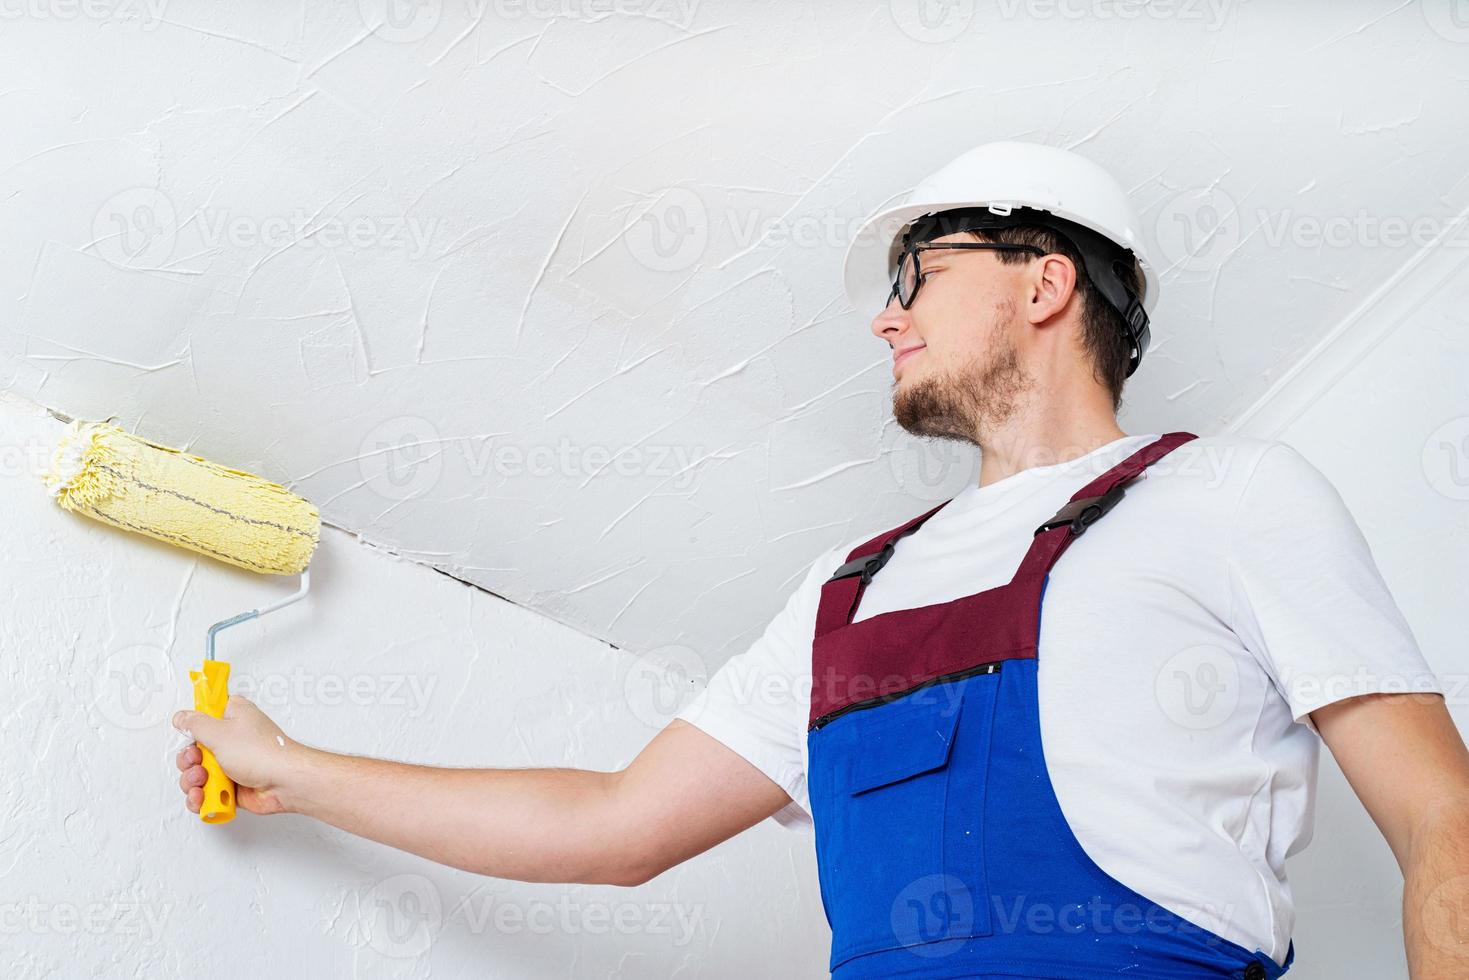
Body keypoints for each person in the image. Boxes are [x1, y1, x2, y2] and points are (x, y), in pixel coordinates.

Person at [174, 141, 1469, 978]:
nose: (883, 312)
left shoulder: (1225, 494)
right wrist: (291, 768)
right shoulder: (849, 586)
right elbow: (615, 827)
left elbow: (1439, 821)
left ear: (1045, 282)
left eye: (923, 270)